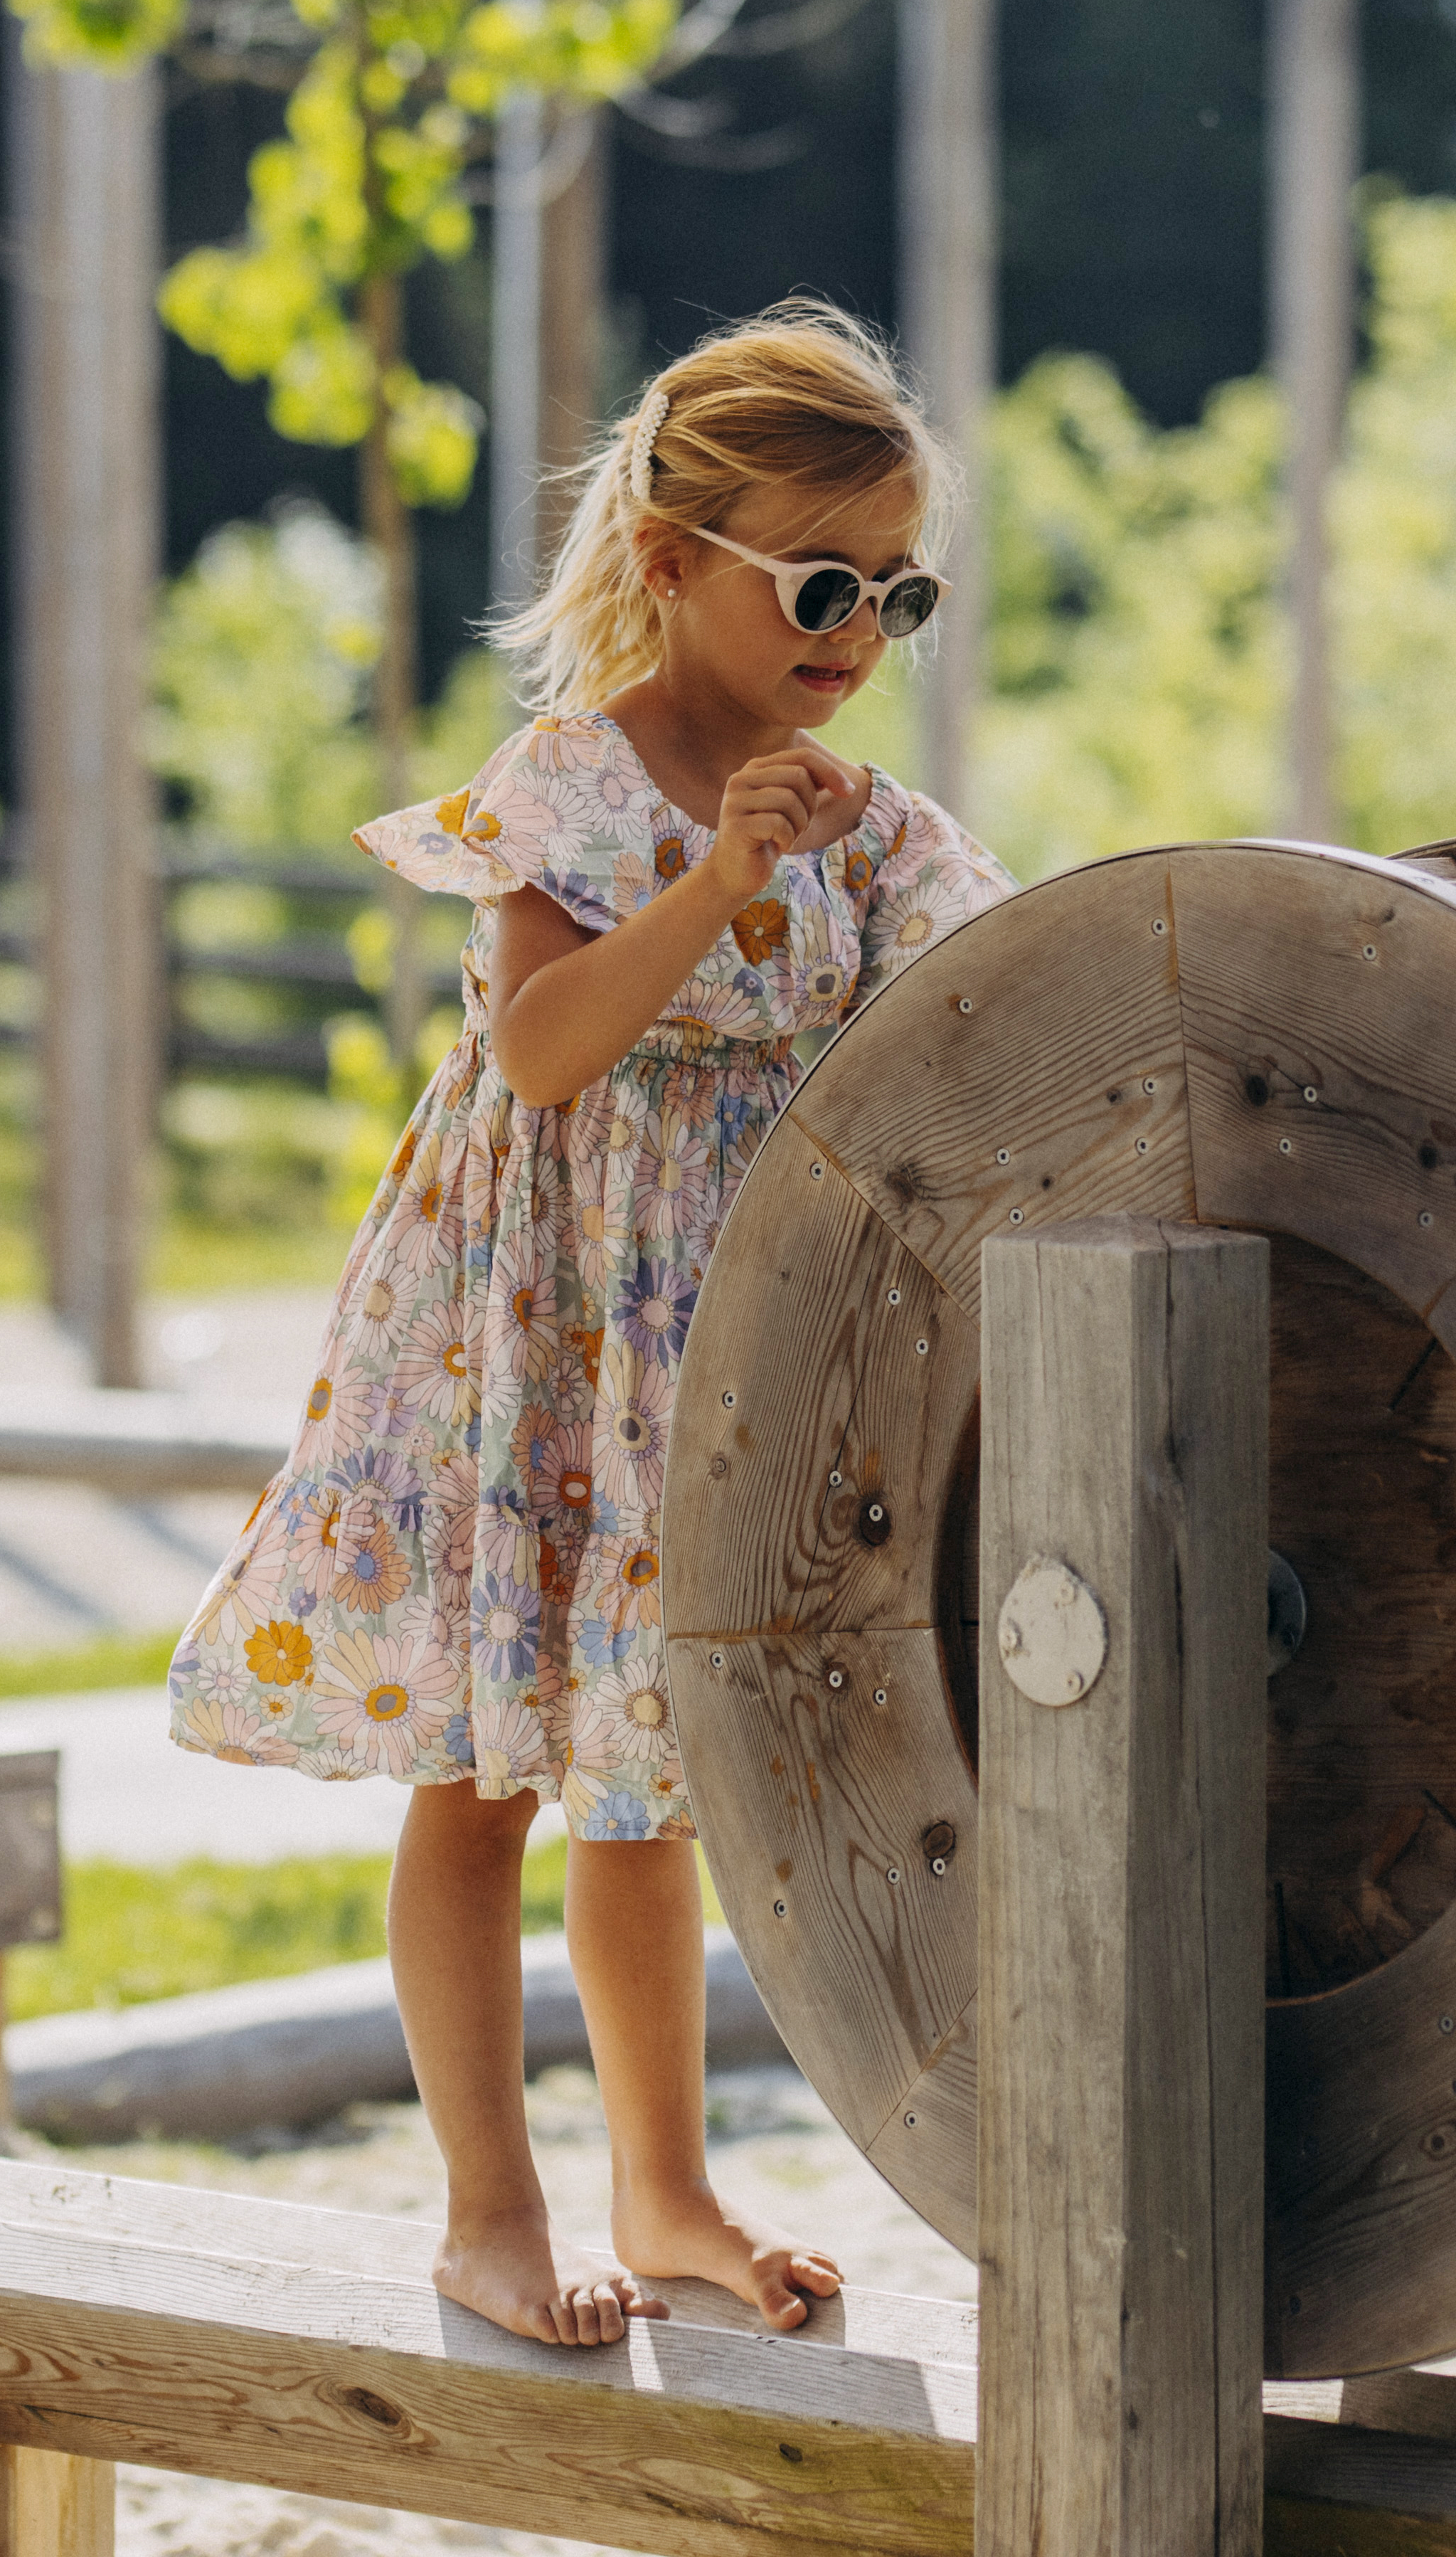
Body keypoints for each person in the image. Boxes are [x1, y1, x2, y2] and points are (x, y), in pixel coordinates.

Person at [168, 300, 1011, 2346]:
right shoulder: (571, 784)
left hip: (711, 1363)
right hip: (526, 1344)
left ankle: (669, 2194)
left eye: (896, 590)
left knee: (652, 1778)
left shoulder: (866, 828)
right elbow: (544, 1052)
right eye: (821, 584)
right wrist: (714, 889)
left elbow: (986, 989)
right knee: (485, 1777)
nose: (855, 632)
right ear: (671, 563)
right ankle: (482, 2209)